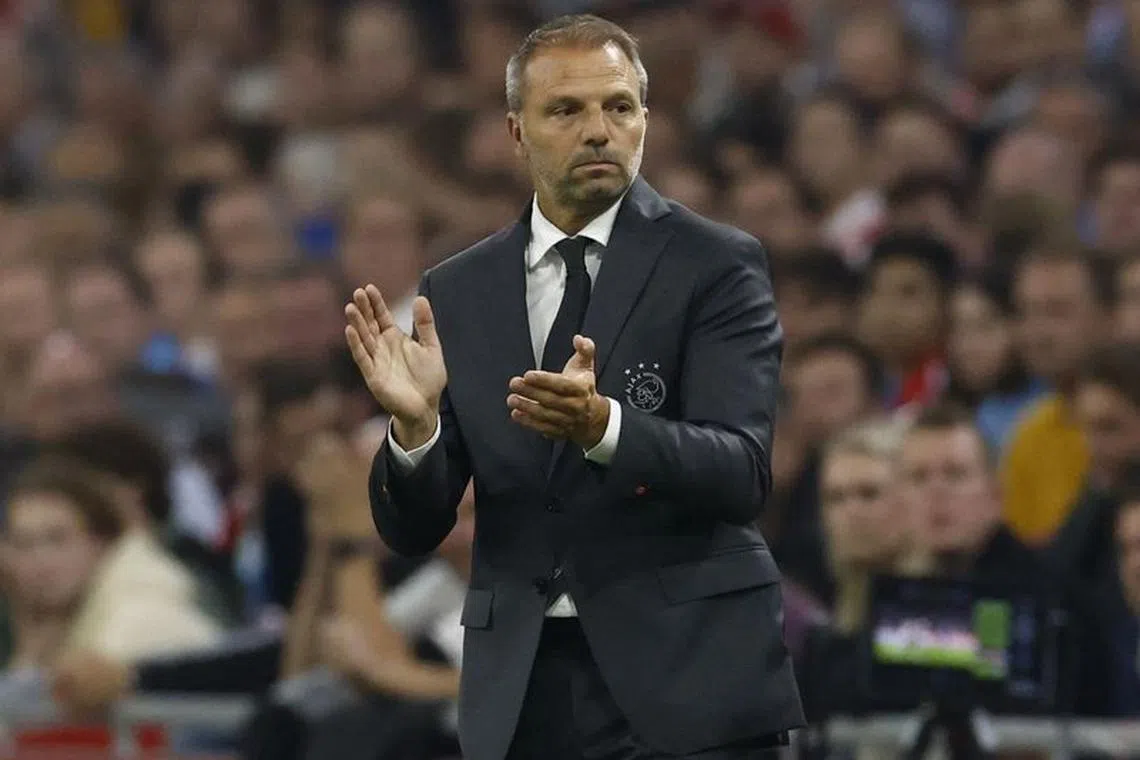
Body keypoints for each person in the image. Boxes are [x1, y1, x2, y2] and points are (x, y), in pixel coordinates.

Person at [344, 14, 803, 760]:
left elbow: (741, 472)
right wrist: (417, 430)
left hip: (690, 684)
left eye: (618, 107)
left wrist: (607, 430)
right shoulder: (458, 290)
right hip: (526, 694)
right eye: (567, 109)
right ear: (517, 132)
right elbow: (414, 530)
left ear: (645, 120)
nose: (598, 130)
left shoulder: (716, 265)